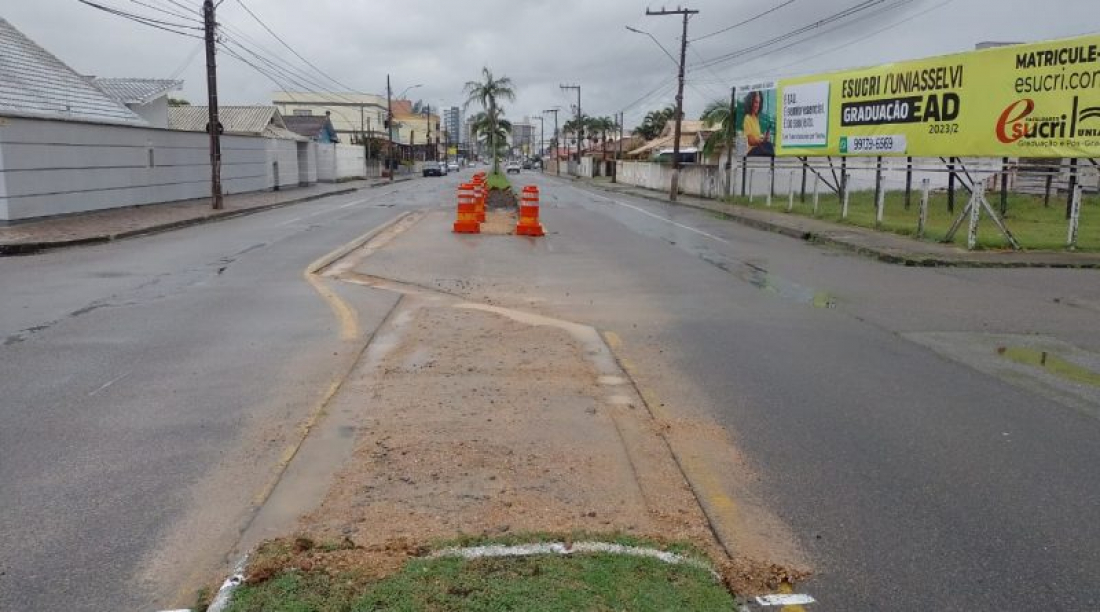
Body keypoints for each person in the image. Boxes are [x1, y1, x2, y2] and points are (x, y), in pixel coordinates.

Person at [742, 91, 775, 157]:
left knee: (769, 145)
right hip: (751, 151)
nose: (758, 105)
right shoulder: (747, 118)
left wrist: (764, 138)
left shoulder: (756, 118)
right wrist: (761, 141)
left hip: (758, 149)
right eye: (756, 102)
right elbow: (750, 141)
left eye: (759, 103)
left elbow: (757, 138)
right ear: (750, 102)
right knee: (769, 146)